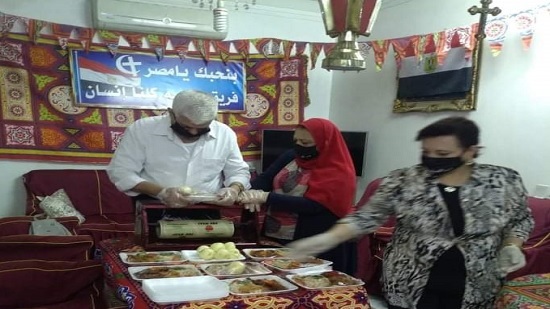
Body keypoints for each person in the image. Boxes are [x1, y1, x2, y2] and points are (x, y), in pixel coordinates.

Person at [286, 116, 534, 309]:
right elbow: (366, 217)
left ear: (471, 151)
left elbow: (519, 219)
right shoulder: (404, 180)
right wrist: (329, 238)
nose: (432, 159)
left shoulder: (502, 180)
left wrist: (512, 245)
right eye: (426, 152)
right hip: (410, 280)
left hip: (478, 281)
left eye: (443, 154)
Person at [238, 118, 357, 274]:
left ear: (325, 143)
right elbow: (266, 178)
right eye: (296, 140)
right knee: (273, 280)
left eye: (306, 143)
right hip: (277, 230)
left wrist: (265, 197)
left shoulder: (339, 170)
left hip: (315, 237)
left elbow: (314, 205)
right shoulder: (291, 156)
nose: (300, 146)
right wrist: (250, 193)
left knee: (311, 283)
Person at [107, 90, 250, 210]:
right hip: (154, 204)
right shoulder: (142, 130)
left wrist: (234, 189)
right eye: (186, 127)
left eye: (202, 128)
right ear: (171, 114)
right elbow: (121, 172)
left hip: (207, 207)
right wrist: (162, 192)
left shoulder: (224, 133)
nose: (194, 133)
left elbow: (238, 171)